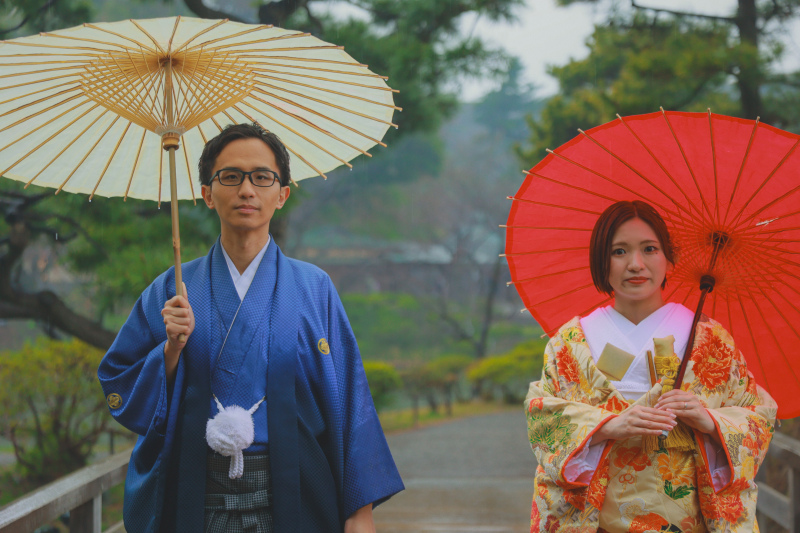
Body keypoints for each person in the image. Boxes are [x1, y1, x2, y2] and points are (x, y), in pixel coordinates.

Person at [98, 123, 404, 533]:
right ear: (207, 193)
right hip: (194, 487)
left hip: (297, 486)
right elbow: (120, 379)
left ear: (282, 195)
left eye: (262, 177)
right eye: (231, 176)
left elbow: (349, 395)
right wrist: (170, 351)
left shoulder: (314, 287)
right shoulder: (171, 290)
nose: (247, 190)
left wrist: (358, 509)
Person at [525, 200, 776, 533]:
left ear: (669, 259)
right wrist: (606, 426)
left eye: (649, 249)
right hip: (598, 521)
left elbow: (757, 415)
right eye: (618, 251)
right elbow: (542, 416)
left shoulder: (710, 340)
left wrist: (709, 420)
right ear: (601, 260)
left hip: (688, 521)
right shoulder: (571, 342)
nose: (635, 264)